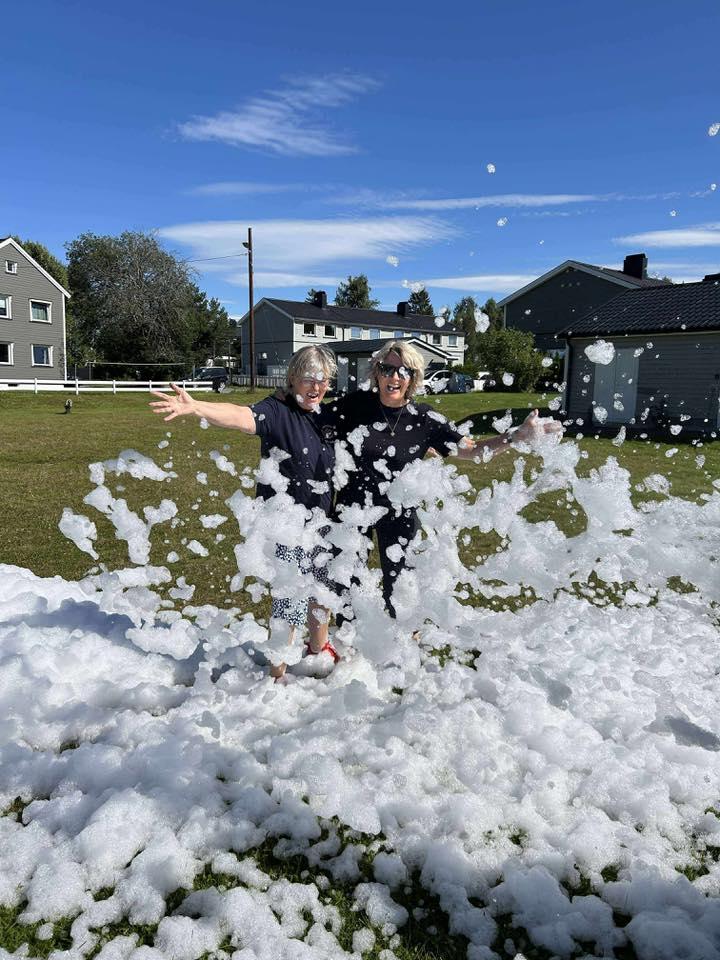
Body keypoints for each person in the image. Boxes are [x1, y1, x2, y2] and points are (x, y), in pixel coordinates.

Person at [320, 340, 563, 620]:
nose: (394, 377)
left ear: (413, 378)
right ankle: (349, 652)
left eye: (404, 371)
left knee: (402, 587)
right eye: (387, 369)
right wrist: (285, 400)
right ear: (376, 372)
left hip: (400, 512)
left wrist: (513, 437)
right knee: (347, 581)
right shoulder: (352, 406)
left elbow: (471, 451)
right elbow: (313, 419)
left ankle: (404, 649)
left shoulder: (424, 419)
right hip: (353, 509)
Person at [149, 345, 339, 680]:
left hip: (320, 522)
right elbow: (241, 416)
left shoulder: (326, 416)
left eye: (322, 379)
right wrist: (196, 408)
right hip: (287, 524)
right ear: (293, 378)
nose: (315, 386)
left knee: (321, 592)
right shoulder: (278, 411)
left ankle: (318, 652)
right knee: (289, 600)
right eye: (308, 377)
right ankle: (277, 675)